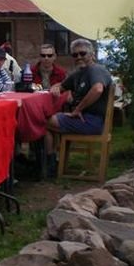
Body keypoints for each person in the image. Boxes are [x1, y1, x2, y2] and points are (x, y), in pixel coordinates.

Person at [45, 38, 112, 176]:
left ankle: (50, 164)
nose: (79, 57)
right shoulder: (79, 73)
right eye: (75, 55)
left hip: (92, 121)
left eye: (83, 53)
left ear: (92, 54)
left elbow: (98, 89)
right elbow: (61, 86)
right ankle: (53, 162)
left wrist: (78, 109)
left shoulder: (95, 70)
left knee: (43, 121)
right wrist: (56, 87)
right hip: (85, 119)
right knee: (46, 122)